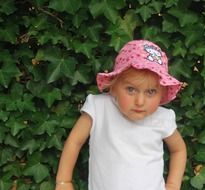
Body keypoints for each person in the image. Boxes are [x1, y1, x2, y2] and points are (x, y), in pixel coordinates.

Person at [55, 40, 187, 190]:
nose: (140, 101)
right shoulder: (99, 108)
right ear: (114, 86)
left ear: (162, 93)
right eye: (131, 89)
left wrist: (173, 185)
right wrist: (63, 181)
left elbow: (179, 149)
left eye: (151, 92)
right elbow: (75, 141)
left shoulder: (162, 118)